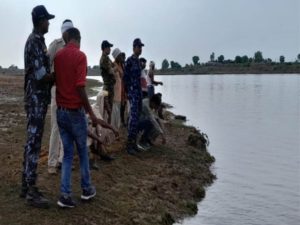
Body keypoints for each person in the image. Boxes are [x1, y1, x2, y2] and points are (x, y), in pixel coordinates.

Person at [54, 28, 117, 208]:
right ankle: (87, 189)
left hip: (61, 112)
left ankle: (64, 195)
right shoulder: (80, 57)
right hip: (75, 112)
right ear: (78, 39)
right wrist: (90, 113)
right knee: (82, 153)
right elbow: (81, 87)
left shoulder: (58, 57)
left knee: (67, 155)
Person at [21, 5, 55, 208]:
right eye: (47, 20)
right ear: (40, 21)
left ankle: (25, 185)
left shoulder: (39, 41)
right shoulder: (34, 42)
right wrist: (61, 76)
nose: (49, 23)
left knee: (31, 141)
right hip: (35, 99)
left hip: (38, 99)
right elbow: (42, 76)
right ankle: (31, 190)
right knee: (33, 143)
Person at [47, 19, 74, 175]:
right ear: (64, 32)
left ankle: (63, 160)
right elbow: (46, 64)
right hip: (56, 90)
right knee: (56, 127)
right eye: (68, 31)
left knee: (67, 126)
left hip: (68, 92)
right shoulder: (55, 45)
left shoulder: (73, 46)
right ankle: (51, 163)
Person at [123, 38, 144, 155]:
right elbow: (125, 78)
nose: (140, 49)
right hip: (133, 93)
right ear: (134, 47)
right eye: (139, 47)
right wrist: (127, 93)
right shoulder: (130, 61)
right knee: (133, 118)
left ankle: (134, 142)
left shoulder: (138, 61)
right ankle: (129, 144)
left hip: (139, 92)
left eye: (141, 47)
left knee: (137, 118)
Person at [99, 40, 115, 123]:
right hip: (107, 87)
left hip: (110, 87)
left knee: (110, 108)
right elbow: (111, 71)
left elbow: (113, 65)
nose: (110, 49)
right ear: (105, 48)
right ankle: (105, 127)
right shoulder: (103, 59)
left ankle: (108, 127)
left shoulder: (107, 58)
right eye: (109, 47)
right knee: (107, 108)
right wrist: (115, 69)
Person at [111, 48, 125, 130]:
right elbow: (112, 75)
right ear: (116, 56)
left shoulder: (121, 65)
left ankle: (117, 128)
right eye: (119, 56)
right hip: (115, 91)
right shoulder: (113, 64)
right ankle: (114, 129)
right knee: (114, 111)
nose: (121, 57)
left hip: (120, 90)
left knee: (118, 109)